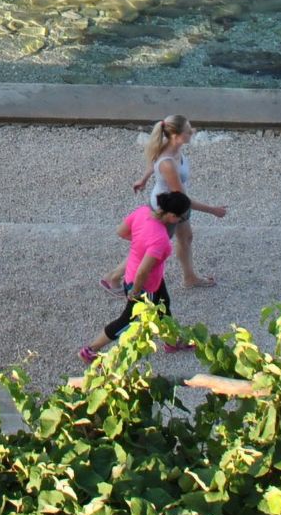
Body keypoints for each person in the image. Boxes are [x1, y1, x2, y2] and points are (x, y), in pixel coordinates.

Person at [101, 115, 227, 291]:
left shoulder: (172, 147)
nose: (193, 132)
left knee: (185, 238)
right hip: (167, 209)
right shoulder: (167, 163)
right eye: (188, 130)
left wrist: (143, 178)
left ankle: (190, 278)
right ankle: (112, 277)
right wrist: (213, 210)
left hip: (176, 205)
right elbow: (182, 197)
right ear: (176, 135)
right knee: (150, 248)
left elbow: (153, 163)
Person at [80, 190, 191, 363]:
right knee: (127, 321)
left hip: (141, 276)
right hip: (142, 285)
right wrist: (135, 291)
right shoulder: (160, 239)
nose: (180, 221)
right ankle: (90, 350)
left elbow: (121, 231)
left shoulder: (142, 212)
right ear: (171, 215)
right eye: (181, 218)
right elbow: (143, 272)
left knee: (164, 305)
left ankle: (171, 341)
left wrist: (140, 242)